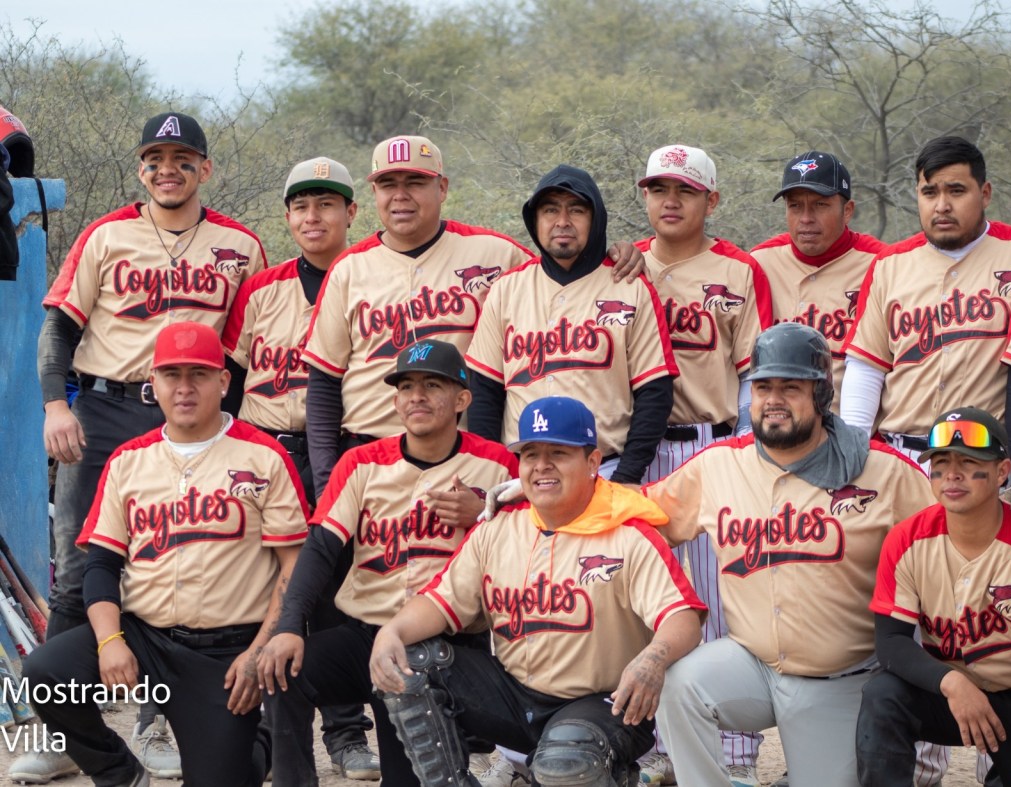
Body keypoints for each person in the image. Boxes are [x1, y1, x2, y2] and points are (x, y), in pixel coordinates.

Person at [23, 111, 266, 783]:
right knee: (80, 570)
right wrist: (54, 405)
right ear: (140, 167)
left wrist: (235, 425)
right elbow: (60, 325)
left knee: (184, 561)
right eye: (156, 157)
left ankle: (161, 716)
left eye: (183, 157)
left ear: (205, 169)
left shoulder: (239, 246)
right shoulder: (108, 234)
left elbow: (245, 350)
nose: (169, 168)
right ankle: (66, 728)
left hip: (196, 415)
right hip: (107, 408)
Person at [644, 323, 934, 787]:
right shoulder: (719, 465)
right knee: (679, 685)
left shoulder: (883, 471)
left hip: (840, 679)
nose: (773, 399)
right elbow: (635, 519)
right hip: (750, 663)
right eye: (763, 386)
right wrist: (549, 496)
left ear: (820, 396)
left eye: (790, 387)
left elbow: (953, 539)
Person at [21, 321, 308, 787]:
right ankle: (119, 773)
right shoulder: (129, 459)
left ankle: (260, 738)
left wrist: (259, 651)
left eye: (199, 373)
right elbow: (101, 565)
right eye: (172, 374)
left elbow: (293, 570)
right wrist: (111, 641)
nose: (185, 387)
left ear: (223, 381)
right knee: (46, 672)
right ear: (152, 384)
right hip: (143, 636)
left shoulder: (264, 456)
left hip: (226, 649)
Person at [369, 395, 707, 787]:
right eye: (530, 454)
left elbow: (682, 617)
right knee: (410, 661)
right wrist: (389, 632)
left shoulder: (628, 534)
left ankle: (609, 773)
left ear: (593, 463)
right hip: (514, 697)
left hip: (600, 706)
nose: (541, 466)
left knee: (565, 763)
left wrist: (653, 659)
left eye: (558, 453)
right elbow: (439, 602)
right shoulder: (497, 528)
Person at [301, 135, 648, 500]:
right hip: (368, 460)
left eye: (415, 182)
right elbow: (323, 384)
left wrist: (619, 253)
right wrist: (328, 485)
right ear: (374, 193)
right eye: (388, 184)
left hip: (462, 462)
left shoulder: (495, 253)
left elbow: (564, 266)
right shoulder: (348, 269)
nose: (400, 195)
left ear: (443, 188)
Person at [257, 338, 519, 786]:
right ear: (396, 401)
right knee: (284, 671)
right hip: (364, 638)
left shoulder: (497, 464)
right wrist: (287, 629)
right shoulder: (361, 463)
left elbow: (532, 546)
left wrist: (483, 513)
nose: (416, 395)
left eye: (432, 385)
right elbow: (321, 549)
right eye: (406, 386)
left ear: (462, 399)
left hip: (443, 650)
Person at [220, 157, 379, 779]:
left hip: (334, 445)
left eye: (327, 204)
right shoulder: (262, 288)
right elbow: (230, 380)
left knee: (332, 588)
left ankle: (345, 733)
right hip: (265, 448)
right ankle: (260, 732)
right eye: (301, 206)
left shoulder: (371, 275)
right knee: (263, 587)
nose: (313, 217)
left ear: (350, 213)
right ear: (287, 216)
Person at [632, 143, 773, 786]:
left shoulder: (739, 271)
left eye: (685, 190)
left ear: (711, 200)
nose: (670, 200)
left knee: (721, 602)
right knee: (643, 605)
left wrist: (748, 456)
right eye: (659, 188)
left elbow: (755, 377)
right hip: (633, 448)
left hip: (709, 442)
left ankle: (735, 758)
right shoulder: (619, 266)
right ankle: (657, 748)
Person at [466, 164, 677, 486]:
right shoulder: (507, 289)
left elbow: (654, 393)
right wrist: (494, 472)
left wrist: (627, 476)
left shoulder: (630, 286)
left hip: (605, 469)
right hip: (521, 471)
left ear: (596, 219)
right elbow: (485, 392)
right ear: (534, 220)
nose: (562, 222)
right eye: (550, 210)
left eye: (576, 210)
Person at [857, 406, 1011, 787]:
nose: (952, 473)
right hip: (950, 695)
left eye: (969, 461)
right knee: (884, 696)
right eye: (942, 461)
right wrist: (951, 682)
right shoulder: (907, 539)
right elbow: (891, 642)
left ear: (1002, 471)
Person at [842, 136, 1011, 455]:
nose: (942, 206)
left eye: (956, 191)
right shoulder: (889, 264)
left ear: (985, 194)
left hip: (984, 456)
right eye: (930, 192)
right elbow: (867, 367)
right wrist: (853, 453)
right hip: (902, 452)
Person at [750, 150, 887, 413]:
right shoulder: (759, 261)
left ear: (847, 211)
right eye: (795, 206)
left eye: (820, 205)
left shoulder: (882, 263)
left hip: (852, 428)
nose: (806, 218)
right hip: (777, 425)